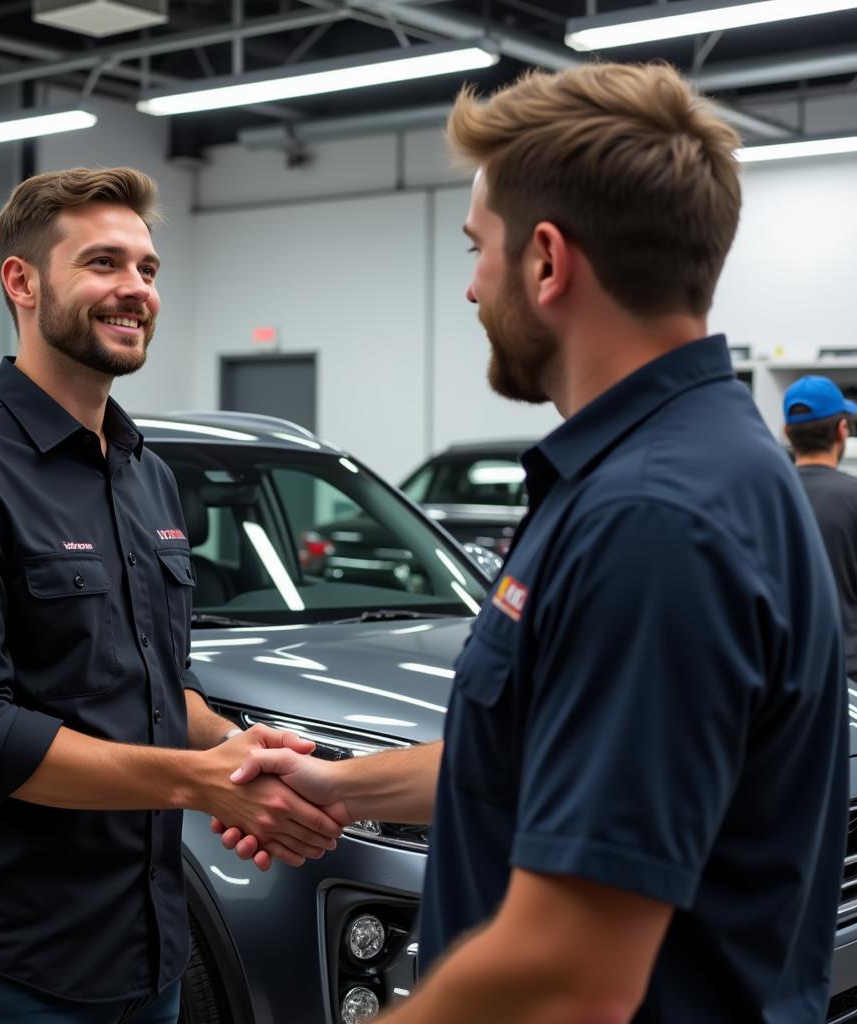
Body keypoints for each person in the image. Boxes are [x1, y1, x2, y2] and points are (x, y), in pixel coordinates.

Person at [215, 63, 850, 1022]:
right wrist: (336, 785)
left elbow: (572, 966)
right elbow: (531, 754)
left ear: (547, 262)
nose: (470, 287)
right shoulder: (673, 473)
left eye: (478, 248)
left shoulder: (652, 521)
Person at [0, 167, 342, 1024]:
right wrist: (202, 785)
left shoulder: (146, 474)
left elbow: (157, 683)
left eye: (149, 270)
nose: (135, 290)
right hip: (17, 966)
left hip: (151, 951)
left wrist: (239, 747)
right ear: (23, 281)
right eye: (103, 263)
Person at [785, 375, 857, 678]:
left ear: (787, 433)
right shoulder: (853, 496)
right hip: (847, 668)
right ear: (842, 431)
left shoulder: (761, 496)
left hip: (783, 673)